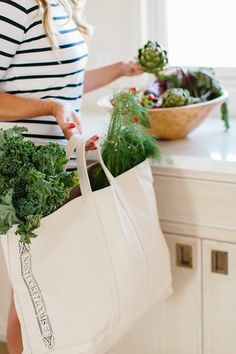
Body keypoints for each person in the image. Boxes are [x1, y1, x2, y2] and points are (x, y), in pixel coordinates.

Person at [0, 0, 143, 353]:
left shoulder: (59, 5)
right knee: (33, 297)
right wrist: (50, 108)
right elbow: (51, 99)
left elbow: (66, 82)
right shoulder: (14, 6)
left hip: (58, 167)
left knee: (43, 294)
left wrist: (122, 69)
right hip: (26, 171)